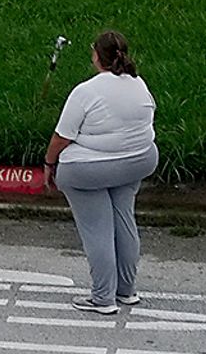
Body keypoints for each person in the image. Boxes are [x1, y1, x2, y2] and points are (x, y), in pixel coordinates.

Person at [47, 30, 160, 315]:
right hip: (138, 160)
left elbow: (61, 138)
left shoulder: (86, 91)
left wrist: (49, 165)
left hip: (89, 170)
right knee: (124, 218)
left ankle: (102, 298)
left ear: (96, 56)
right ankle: (126, 290)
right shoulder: (138, 84)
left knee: (97, 228)